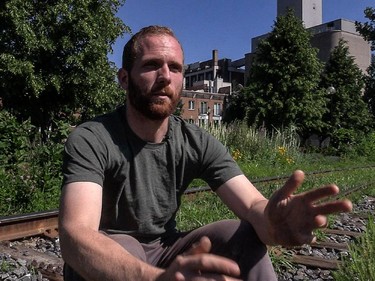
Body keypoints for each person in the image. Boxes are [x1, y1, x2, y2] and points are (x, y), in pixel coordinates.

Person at [59, 25, 352, 281]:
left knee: (241, 233)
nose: (165, 76)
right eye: (151, 65)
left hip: (166, 250)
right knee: (127, 246)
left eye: (174, 68)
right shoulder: (93, 138)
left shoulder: (195, 141)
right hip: (110, 260)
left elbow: (251, 205)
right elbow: (76, 235)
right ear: (124, 78)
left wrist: (273, 224)